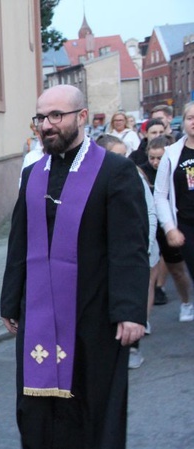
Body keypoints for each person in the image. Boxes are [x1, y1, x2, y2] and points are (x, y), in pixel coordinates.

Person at [1, 85, 149, 449]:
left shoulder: (114, 172)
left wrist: (131, 309)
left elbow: (129, 246)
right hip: (41, 317)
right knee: (38, 413)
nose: (47, 125)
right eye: (41, 118)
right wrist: (10, 299)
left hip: (96, 314)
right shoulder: (34, 175)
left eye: (56, 116)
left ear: (81, 117)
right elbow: (18, 242)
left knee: (94, 408)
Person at [95, 135, 158, 369]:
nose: (124, 161)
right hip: (107, 256)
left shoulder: (133, 177)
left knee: (135, 294)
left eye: (125, 155)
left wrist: (146, 244)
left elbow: (149, 213)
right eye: (117, 155)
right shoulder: (94, 180)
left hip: (138, 250)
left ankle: (134, 344)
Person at [139, 136, 194, 317]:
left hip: (175, 224)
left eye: (159, 158)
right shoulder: (141, 170)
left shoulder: (176, 164)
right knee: (149, 274)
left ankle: (186, 302)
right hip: (155, 228)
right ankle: (144, 320)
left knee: (177, 270)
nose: (155, 162)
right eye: (152, 158)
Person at [154, 100, 194, 324]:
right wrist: (170, 228)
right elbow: (160, 195)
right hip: (187, 225)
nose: (193, 122)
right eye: (190, 118)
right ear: (183, 122)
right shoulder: (172, 154)